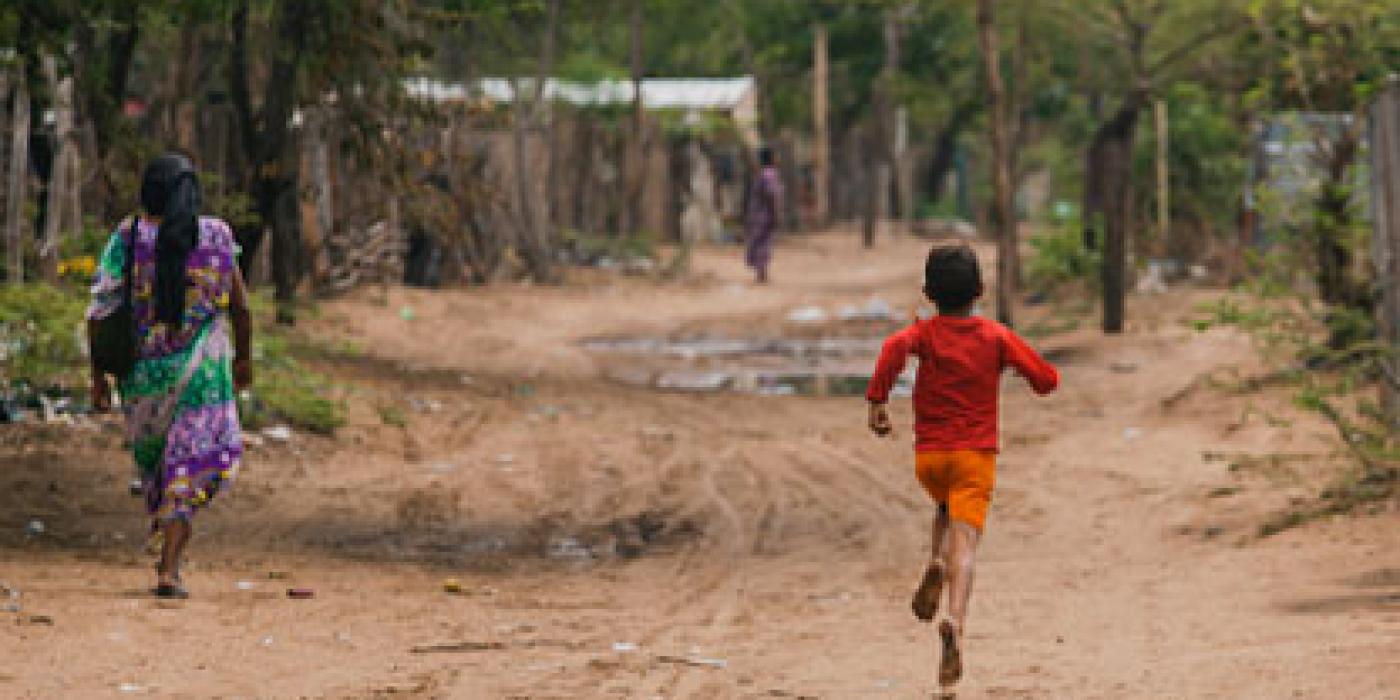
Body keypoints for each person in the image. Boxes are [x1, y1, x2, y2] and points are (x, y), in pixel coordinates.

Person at [865, 244, 1058, 689]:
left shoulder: (923, 334)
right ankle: (956, 621)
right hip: (974, 456)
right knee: (966, 546)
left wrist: (877, 401)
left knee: (944, 510)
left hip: (930, 458)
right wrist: (1032, 374)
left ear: (928, 293)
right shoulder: (995, 336)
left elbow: (894, 346)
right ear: (980, 290)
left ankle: (934, 560)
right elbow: (1046, 381)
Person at [87, 154, 253, 599]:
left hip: (143, 379)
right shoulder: (217, 235)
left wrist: (98, 377)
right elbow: (240, 307)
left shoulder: (128, 236)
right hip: (200, 370)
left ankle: (165, 547)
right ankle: (170, 568)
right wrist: (243, 362)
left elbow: (101, 310)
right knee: (188, 465)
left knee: (160, 468)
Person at [743, 145, 783, 284]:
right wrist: (776, 213)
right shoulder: (770, 174)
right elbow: (771, 195)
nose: (778, 158)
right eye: (776, 155)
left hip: (756, 213)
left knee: (759, 242)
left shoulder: (761, 174)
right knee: (764, 242)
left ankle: (761, 273)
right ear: (771, 158)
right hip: (764, 214)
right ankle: (762, 273)